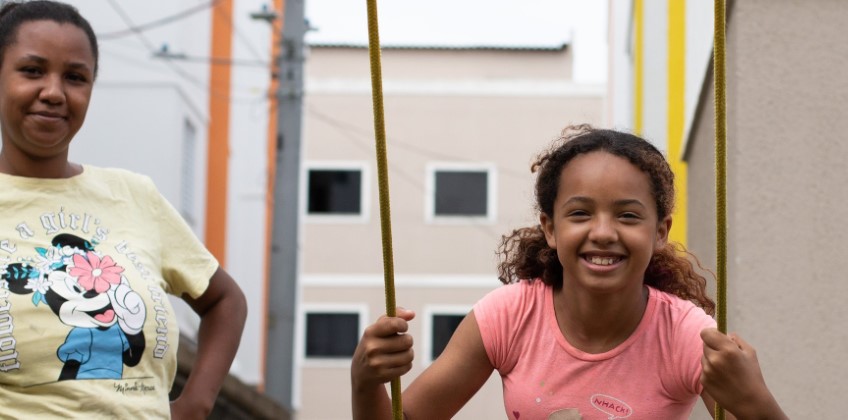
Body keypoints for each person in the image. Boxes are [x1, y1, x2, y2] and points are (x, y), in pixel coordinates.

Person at [351, 125, 787, 419]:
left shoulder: (685, 335)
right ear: (551, 229)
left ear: (660, 232)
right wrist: (364, 382)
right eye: (579, 213)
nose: (602, 233)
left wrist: (757, 403)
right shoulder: (508, 316)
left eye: (628, 216)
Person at [0, 1, 247, 418]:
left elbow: (225, 300)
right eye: (32, 70)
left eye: (75, 77)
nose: (55, 92)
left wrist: (196, 404)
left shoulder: (133, 195)